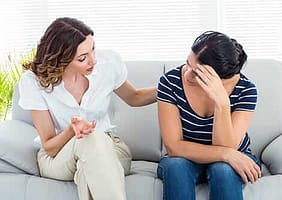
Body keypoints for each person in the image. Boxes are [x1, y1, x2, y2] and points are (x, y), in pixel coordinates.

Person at [18, 17, 156, 200]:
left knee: (89, 166)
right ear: (62, 60)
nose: (93, 60)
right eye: (83, 58)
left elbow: (135, 97)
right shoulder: (34, 82)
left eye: (93, 49)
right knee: (89, 140)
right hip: (58, 157)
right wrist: (71, 130)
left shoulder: (108, 65)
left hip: (110, 148)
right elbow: (50, 148)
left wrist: (172, 86)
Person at [156, 31, 261, 200]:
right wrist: (227, 154)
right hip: (185, 158)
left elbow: (227, 146)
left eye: (198, 73)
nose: (187, 74)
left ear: (219, 78)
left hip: (232, 160)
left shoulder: (246, 90)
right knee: (176, 166)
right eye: (187, 63)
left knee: (223, 169)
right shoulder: (170, 82)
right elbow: (174, 147)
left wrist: (221, 103)